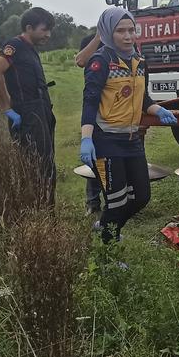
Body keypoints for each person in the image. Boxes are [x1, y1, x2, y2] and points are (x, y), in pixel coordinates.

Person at [80, 7, 179, 244]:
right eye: (120, 31)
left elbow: (143, 98)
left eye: (131, 30)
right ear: (107, 33)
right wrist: (86, 139)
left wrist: (159, 110)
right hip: (106, 141)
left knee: (142, 197)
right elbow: (90, 101)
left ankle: (106, 226)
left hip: (132, 140)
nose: (127, 36)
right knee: (116, 202)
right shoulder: (100, 61)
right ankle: (109, 253)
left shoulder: (139, 61)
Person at [0, 7, 58, 205]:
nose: (48, 35)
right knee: (37, 167)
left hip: (41, 110)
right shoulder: (14, 46)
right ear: (29, 27)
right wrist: (6, 107)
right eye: (44, 29)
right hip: (28, 113)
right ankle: (39, 217)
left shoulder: (30, 48)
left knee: (47, 165)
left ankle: (47, 217)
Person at [78, 31, 103, 218]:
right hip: (95, 102)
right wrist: (97, 40)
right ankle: (93, 203)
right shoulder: (90, 41)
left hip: (121, 107)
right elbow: (80, 61)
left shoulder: (126, 42)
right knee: (95, 159)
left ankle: (119, 201)